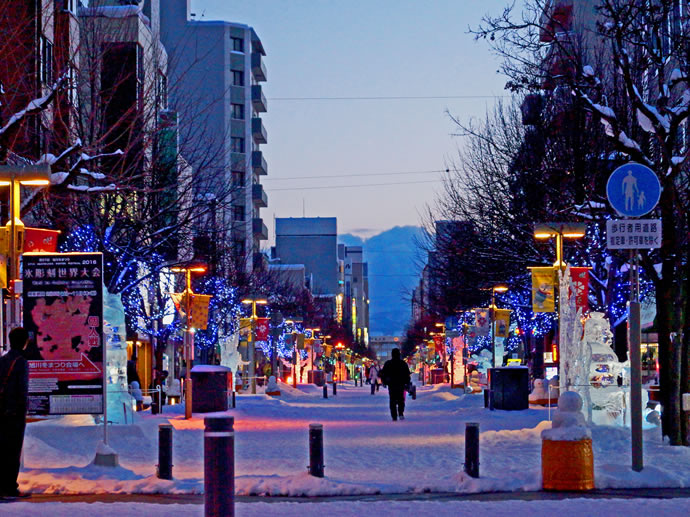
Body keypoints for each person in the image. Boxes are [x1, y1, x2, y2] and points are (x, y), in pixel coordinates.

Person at [0, 327, 31, 499]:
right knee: (12, 452)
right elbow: (22, 390)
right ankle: (9, 488)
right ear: (24, 342)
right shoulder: (21, 362)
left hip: (2, 413)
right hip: (14, 415)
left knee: (2, 450)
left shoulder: (3, 360)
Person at [379, 348, 411, 421]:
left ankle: (394, 416)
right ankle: (400, 413)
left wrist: (384, 382)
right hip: (401, 384)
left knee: (392, 400)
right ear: (399, 354)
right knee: (401, 399)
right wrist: (407, 383)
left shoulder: (388, 363)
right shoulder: (403, 363)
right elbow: (407, 374)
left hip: (392, 384)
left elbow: (384, 374)